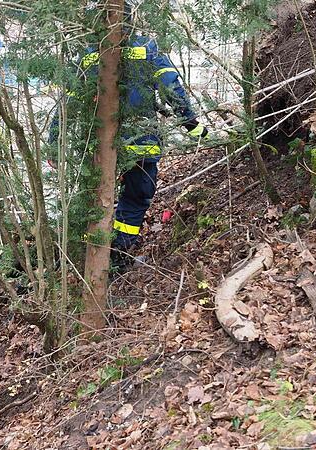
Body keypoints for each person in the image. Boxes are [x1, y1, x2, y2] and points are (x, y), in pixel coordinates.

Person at [50, 2, 209, 270]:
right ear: (131, 19)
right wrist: (191, 125)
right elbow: (172, 88)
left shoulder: (90, 54)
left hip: (100, 146)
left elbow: (69, 102)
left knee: (97, 199)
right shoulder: (147, 47)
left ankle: (93, 262)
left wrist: (55, 142)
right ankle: (120, 256)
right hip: (141, 144)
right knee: (135, 198)